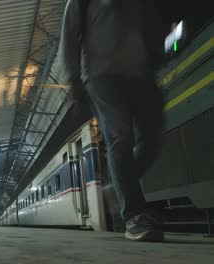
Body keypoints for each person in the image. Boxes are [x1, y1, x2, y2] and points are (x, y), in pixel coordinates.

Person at [56, 0, 167, 241]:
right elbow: (67, 41)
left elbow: (151, 28)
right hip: (101, 78)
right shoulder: (79, 3)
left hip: (141, 76)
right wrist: (73, 83)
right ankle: (134, 215)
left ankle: (117, 187)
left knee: (152, 141)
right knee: (120, 137)